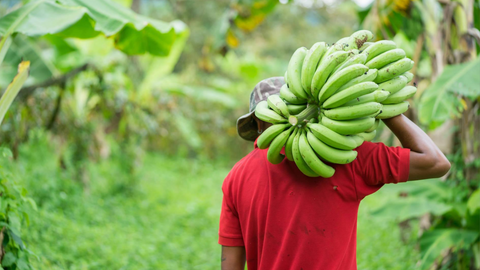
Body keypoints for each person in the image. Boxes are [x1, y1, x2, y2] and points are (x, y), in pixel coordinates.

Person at [218, 77, 451, 270]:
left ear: (257, 124)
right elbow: (435, 162)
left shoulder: (235, 178)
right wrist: (385, 107)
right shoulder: (346, 157)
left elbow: (231, 265)